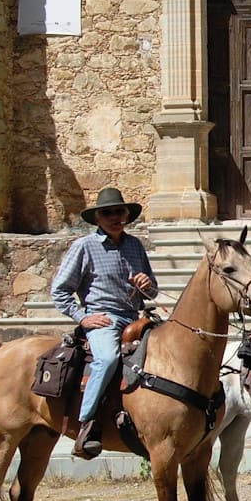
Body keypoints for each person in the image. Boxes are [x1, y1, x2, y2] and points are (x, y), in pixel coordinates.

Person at [51, 187, 158, 459]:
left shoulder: (134, 245)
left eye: (119, 212)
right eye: (107, 213)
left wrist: (147, 285)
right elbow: (60, 291)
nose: (114, 217)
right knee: (108, 359)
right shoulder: (84, 247)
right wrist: (83, 317)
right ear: (97, 218)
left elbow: (152, 290)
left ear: (126, 215)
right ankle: (87, 425)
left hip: (135, 317)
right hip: (104, 318)